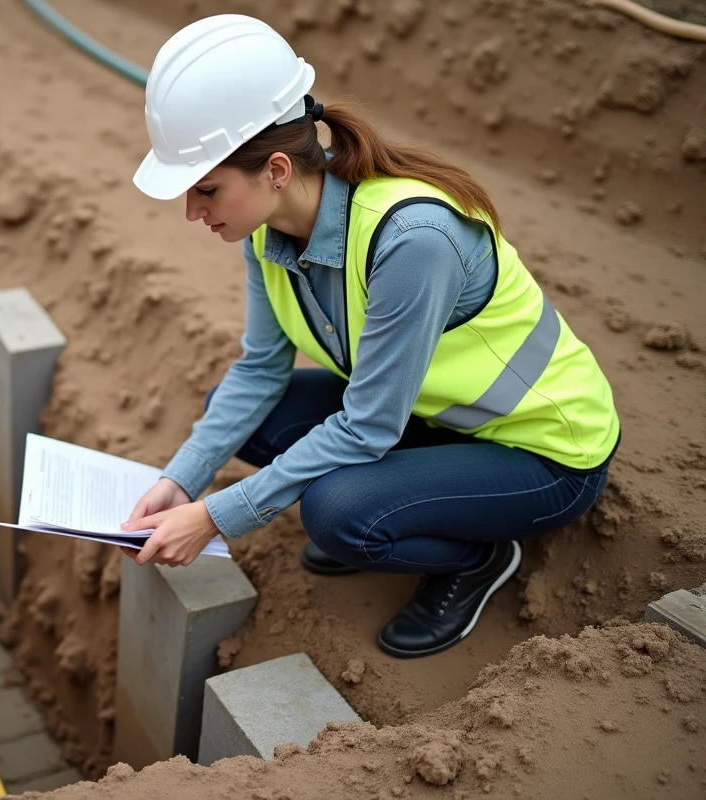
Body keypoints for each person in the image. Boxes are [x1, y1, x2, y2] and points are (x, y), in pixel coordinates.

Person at [119, 15, 620, 658]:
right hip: (440, 420)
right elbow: (258, 372)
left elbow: (368, 426)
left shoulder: (411, 241)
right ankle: (409, 502)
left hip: (543, 451)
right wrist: (182, 481)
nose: (194, 212)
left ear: (275, 169)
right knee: (255, 416)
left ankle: (476, 558)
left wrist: (217, 516)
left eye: (206, 189)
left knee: (335, 513)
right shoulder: (267, 233)